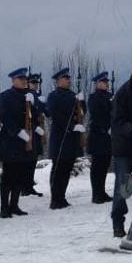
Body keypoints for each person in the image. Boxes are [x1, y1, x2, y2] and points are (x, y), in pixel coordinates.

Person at [0, 67, 36, 219]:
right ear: (13, 81)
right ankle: (4, 208)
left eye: (25, 79)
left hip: (24, 142)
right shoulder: (6, 96)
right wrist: (18, 131)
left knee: (19, 176)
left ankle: (14, 205)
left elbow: (36, 116)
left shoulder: (29, 96)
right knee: (8, 176)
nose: (24, 81)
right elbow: (4, 116)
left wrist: (35, 104)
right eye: (21, 79)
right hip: (10, 141)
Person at [46, 68, 87, 209]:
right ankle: (55, 199)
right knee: (58, 170)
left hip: (72, 140)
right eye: (65, 78)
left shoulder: (73, 95)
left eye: (69, 78)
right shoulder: (53, 96)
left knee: (67, 168)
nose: (69, 80)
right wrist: (70, 127)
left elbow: (81, 113)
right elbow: (54, 115)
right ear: (58, 81)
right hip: (60, 138)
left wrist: (82, 102)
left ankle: (61, 197)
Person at [110, 69, 132, 236]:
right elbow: (117, 121)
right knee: (122, 186)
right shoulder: (122, 94)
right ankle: (117, 222)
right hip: (123, 147)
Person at [85, 72, 113, 203]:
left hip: (108, 139)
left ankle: (101, 192)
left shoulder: (110, 96)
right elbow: (97, 116)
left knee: (104, 165)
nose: (107, 83)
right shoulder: (94, 97)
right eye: (103, 82)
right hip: (98, 137)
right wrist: (107, 128)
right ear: (97, 84)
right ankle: (96, 194)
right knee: (97, 167)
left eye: (107, 81)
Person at [24, 73, 46, 197]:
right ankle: (24, 186)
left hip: (37, 133)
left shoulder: (37, 96)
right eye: (33, 83)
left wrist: (43, 103)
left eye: (36, 83)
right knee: (27, 160)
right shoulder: (26, 96)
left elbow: (46, 112)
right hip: (30, 131)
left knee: (33, 160)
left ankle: (29, 185)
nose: (35, 85)